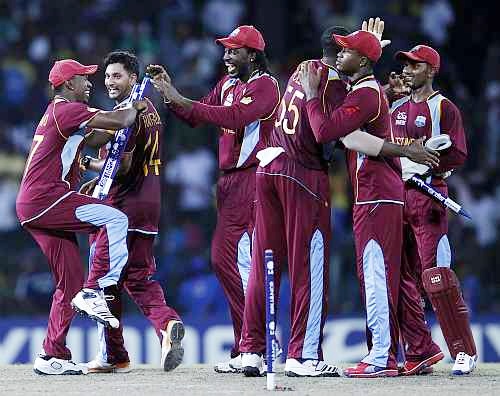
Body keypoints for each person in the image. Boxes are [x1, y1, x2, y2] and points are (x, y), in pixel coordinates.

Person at [147, 25, 280, 373]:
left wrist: (180, 98)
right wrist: (169, 93)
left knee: (247, 265)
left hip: (256, 179)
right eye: (225, 50)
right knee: (224, 262)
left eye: (233, 51)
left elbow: (234, 117)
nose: (226, 56)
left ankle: (260, 345)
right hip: (229, 186)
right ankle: (246, 345)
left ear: (252, 54)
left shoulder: (266, 85)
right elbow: (196, 115)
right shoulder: (228, 85)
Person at [16, 59, 147, 375]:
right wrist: (137, 105)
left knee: (67, 283)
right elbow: (121, 120)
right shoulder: (67, 110)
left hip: (34, 205)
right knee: (116, 220)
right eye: (84, 78)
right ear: (67, 84)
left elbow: (93, 139)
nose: (91, 83)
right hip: (47, 200)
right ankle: (97, 288)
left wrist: (94, 167)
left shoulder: (59, 115)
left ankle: (51, 356)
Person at [299, 30, 410, 378]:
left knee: (375, 275)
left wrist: (312, 97)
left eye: (345, 52)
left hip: (376, 194)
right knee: (377, 275)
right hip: (375, 194)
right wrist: (370, 47)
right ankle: (391, 352)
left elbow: (325, 131)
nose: (336, 56)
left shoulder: (364, 93)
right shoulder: (364, 90)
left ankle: (381, 357)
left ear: (361, 62)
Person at [79, 51, 184, 373]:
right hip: (149, 205)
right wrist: (99, 174)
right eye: (108, 76)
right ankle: (167, 325)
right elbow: (129, 164)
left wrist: (86, 165)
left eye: (117, 76)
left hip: (120, 207)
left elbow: (121, 168)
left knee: (98, 284)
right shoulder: (150, 111)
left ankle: (112, 354)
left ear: (133, 79)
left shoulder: (127, 114)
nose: (110, 82)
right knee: (138, 278)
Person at [390, 44, 476, 375]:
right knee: (402, 278)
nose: (408, 70)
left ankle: (464, 352)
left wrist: (430, 166)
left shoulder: (444, 107)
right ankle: (418, 350)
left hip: (429, 197)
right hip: (398, 196)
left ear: (431, 70)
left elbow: (458, 153)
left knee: (436, 278)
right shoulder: (395, 105)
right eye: (406, 65)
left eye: (415, 65)